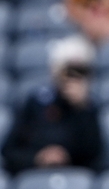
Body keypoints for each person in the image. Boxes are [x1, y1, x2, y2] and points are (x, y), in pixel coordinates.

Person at [1, 34, 103, 175]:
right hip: (35, 175)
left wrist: (82, 108)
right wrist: (38, 158)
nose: (73, 79)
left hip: (73, 178)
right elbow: (10, 152)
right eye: (69, 71)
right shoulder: (35, 103)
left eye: (80, 72)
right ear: (56, 72)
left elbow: (94, 155)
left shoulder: (89, 108)